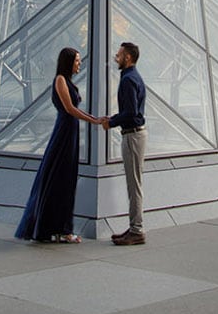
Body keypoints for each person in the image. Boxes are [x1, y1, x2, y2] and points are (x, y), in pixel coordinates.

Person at [15, 47, 103, 244]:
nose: (79, 64)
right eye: (77, 60)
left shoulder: (66, 80)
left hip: (69, 132)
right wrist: (95, 121)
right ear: (68, 61)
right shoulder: (60, 80)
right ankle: (60, 230)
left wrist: (94, 120)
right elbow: (70, 109)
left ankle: (59, 228)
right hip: (64, 132)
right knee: (61, 180)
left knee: (65, 180)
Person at [106, 41, 148, 246]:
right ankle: (133, 227)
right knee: (134, 184)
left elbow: (131, 112)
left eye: (119, 54)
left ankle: (137, 230)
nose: (116, 57)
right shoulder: (131, 77)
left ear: (128, 57)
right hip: (134, 134)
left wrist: (111, 121)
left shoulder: (128, 80)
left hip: (132, 135)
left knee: (134, 185)